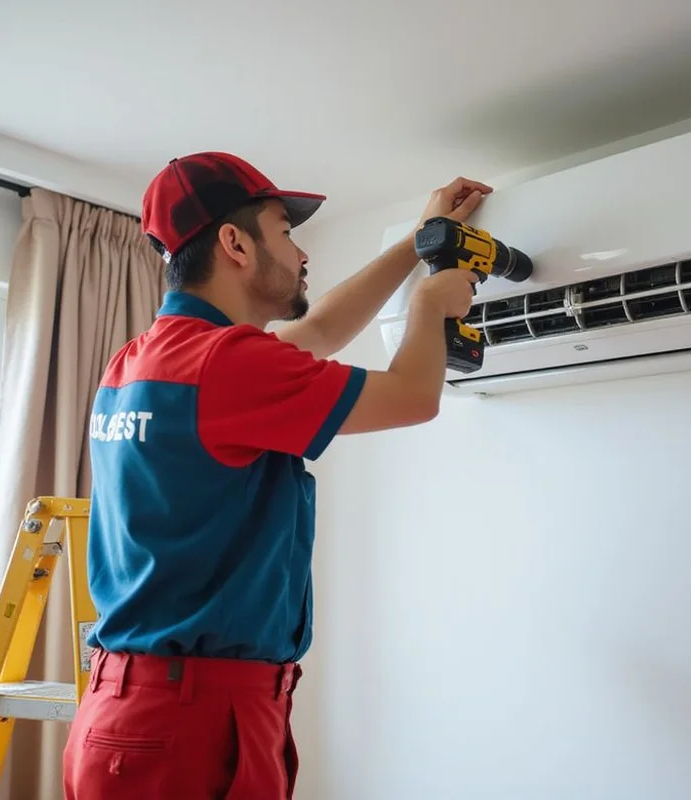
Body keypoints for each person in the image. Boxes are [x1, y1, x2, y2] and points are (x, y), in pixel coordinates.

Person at [61, 151, 489, 799]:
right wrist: (430, 304)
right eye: (286, 232)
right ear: (235, 244)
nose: (302, 253)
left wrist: (416, 243)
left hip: (133, 712)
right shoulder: (228, 364)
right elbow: (412, 396)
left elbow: (320, 329)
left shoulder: (143, 360)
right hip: (189, 722)